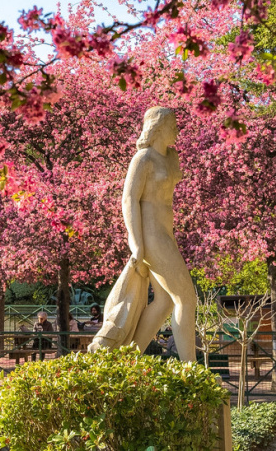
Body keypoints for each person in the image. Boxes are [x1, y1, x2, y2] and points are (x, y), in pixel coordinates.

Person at [89, 107, 197, 362]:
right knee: (186, 298)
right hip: (151, 237)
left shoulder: (170, 158)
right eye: (173, 125)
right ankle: (192, 370)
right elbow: (129, 200)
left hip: (166, 234)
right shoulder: (143, 158)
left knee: (164, 303)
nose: (177, 130)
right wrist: (135, 243)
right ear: (158, 127)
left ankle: (124, 361)